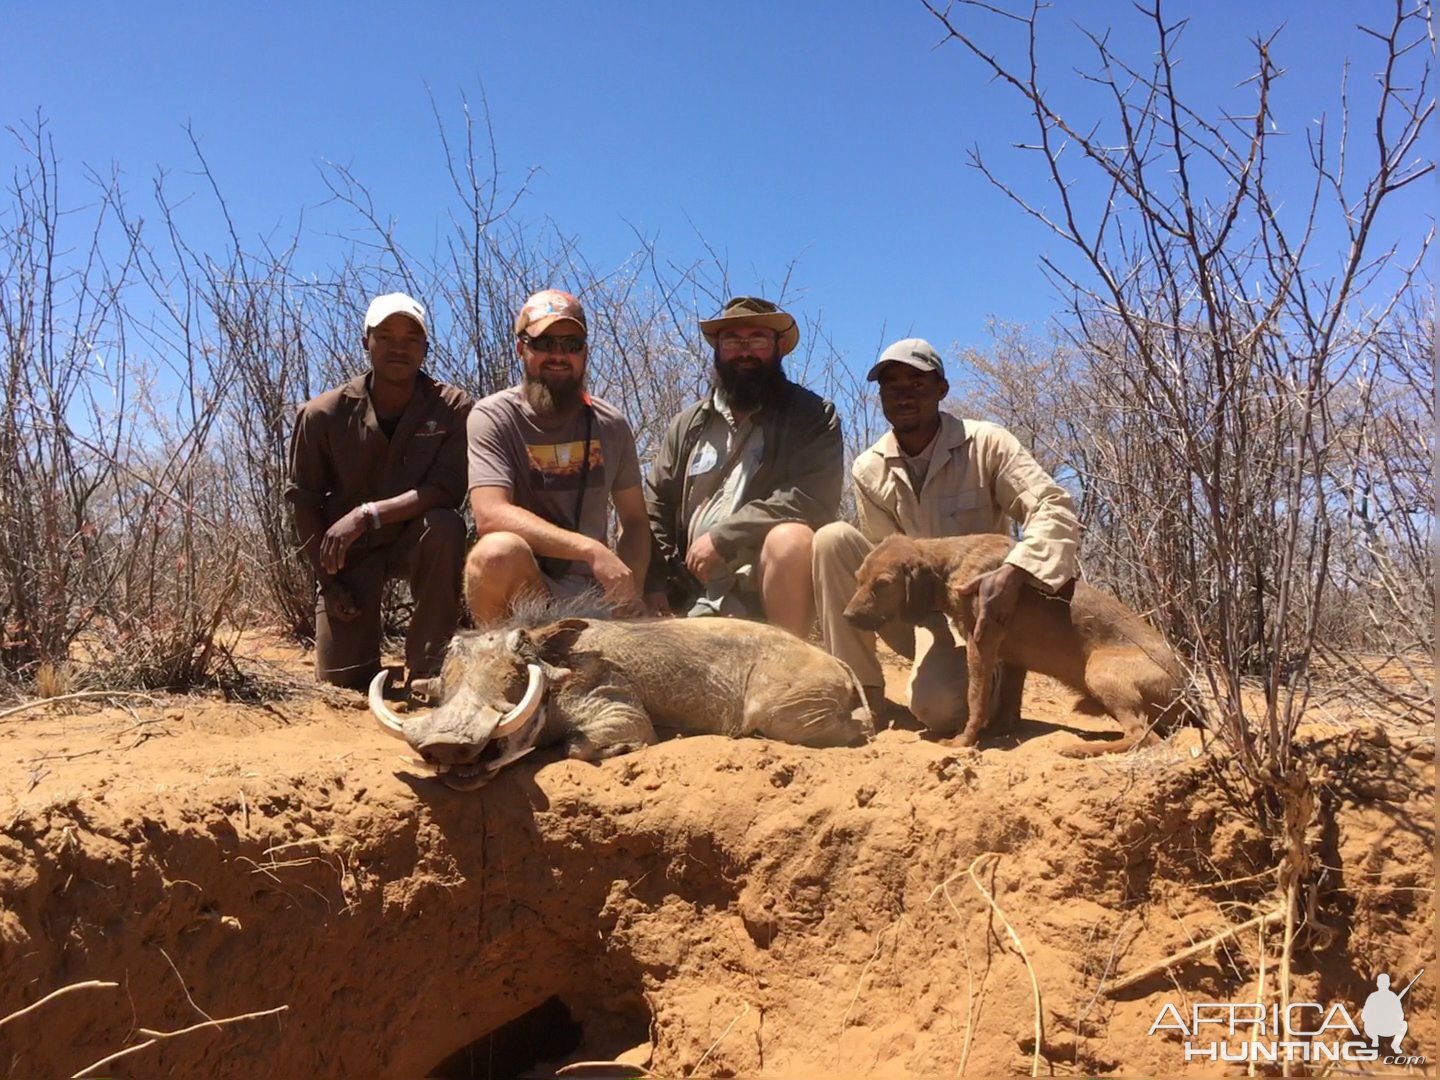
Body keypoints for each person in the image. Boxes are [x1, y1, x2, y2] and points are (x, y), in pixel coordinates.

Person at [812, 337, 1079, 730]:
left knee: (942, 711)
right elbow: (884, 557)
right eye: (892, 386)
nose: (904, 395)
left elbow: (1052, 506)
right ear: (881, 396)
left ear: (941, 389)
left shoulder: (987, 443)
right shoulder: (869, 467)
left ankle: (995, 674)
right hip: (919, 611)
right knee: (832, 539)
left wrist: (1015, 571)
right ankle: (861, 692)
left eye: (917, 384)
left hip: (981, 611)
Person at [286, 292, 472, 694]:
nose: (399, 347)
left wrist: (367, 514)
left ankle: (428, 667)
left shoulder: (452, 407)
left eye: (411, 337)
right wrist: (329, 583)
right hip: (349, 556)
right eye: (386, 335)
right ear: (365, 341)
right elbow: (303, 503)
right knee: (344, 682)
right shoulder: (321, 414)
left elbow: (447, 489)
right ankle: (358, 657)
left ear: (426, 347)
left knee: (445, 526)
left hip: (414, 538)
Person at [645, 296, 843, 637]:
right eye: (733, 341)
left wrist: (723, 538)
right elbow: (656, 502)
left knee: (791, 540)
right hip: (690, 586)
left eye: (757, 340)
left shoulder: (813, 415)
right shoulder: (688, 423)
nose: (744, 351)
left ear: (779, 346)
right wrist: (655, 580)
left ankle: (787, 667)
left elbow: (811, 498)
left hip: (760, 586)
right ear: (718, 349)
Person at [464, 289, 650, 622]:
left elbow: (634, 520)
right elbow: (490, 514)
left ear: (585, 352)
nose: (559, 356)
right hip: (528, 590)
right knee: (496, 552)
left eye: (571, 345)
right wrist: (590, 549)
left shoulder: (611, 424)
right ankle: (500, 663)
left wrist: (630, 587)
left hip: (596, 600)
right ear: (522, 348)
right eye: (545, 344)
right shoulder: (492, 416)